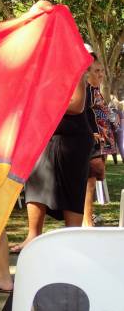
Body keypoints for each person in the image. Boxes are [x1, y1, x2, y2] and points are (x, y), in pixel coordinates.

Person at [9, 72, 91, 254]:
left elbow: (77, 105)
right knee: (36, 184)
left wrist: (39, 101)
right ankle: (32, 236)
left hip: (73, 139)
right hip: (43, 135)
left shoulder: (74, 66)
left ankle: (73, 239)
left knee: (72, 186)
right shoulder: (43, 66)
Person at [83, 54, 116, 226]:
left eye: (102, 70)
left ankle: (88, 218)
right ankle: (86, 221)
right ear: (86, 73)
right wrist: (89, 132)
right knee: (89, 182)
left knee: (92, 181)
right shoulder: (85, 91)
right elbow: (83, 115)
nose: (101, 74)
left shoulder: (95, 91)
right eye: (97, 71)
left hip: (99, 144)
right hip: (90, 144)